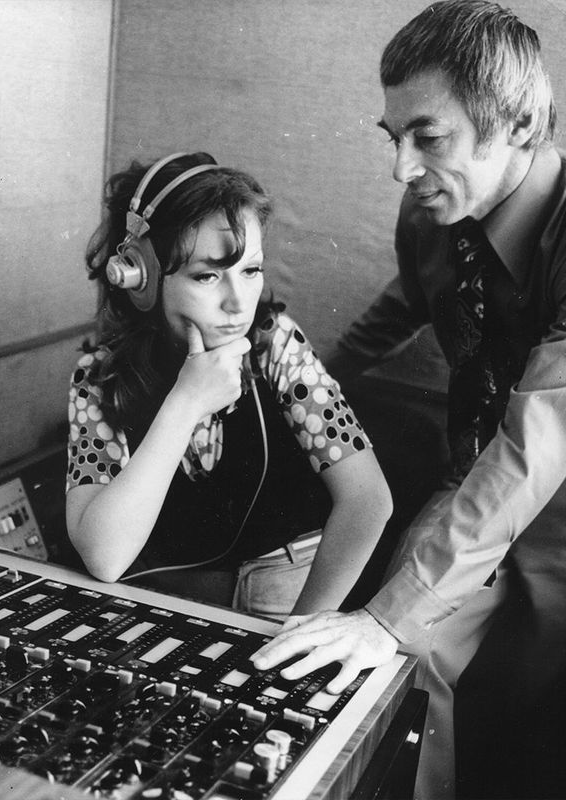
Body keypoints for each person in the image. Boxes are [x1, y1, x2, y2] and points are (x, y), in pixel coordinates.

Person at [251, 2, 566, 798]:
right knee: (398, 668)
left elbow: (540, 441)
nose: (401, 168)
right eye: (393, 137)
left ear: (520, 125)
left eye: (428, 137)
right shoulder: (433, 209)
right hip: (475, 474)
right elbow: (408, 303)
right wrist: (299, 388)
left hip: (549, 486)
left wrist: (390, 615)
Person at [65, 151, 392, 621]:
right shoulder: (98, 377)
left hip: (287, 582)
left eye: (250, 271)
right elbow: (106, 557)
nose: (238, 302)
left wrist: (299, 630)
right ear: (142, 279)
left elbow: (369, 501)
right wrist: (185, 402)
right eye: (207, 276)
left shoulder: (277, 342)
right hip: (170, 597)